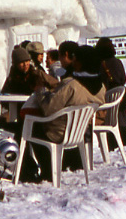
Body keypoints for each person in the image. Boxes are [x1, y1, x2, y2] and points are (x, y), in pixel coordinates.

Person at [22, 44, 105, 182]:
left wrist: (40, 91)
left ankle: (45, 171)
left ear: (81, 62)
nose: (74, 62)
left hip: (59, 131)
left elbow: (48, 108)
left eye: (76, 59)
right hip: (80, 131)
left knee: (31, 125)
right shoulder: (101, 87)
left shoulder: (72, 85)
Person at [95, 37, 126, 147]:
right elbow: (123, 79)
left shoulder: (100, 64)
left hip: (106, 101)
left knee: (109, 121)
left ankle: (113, 143)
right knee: (120, 121)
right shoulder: (117, 62)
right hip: (119, 98)